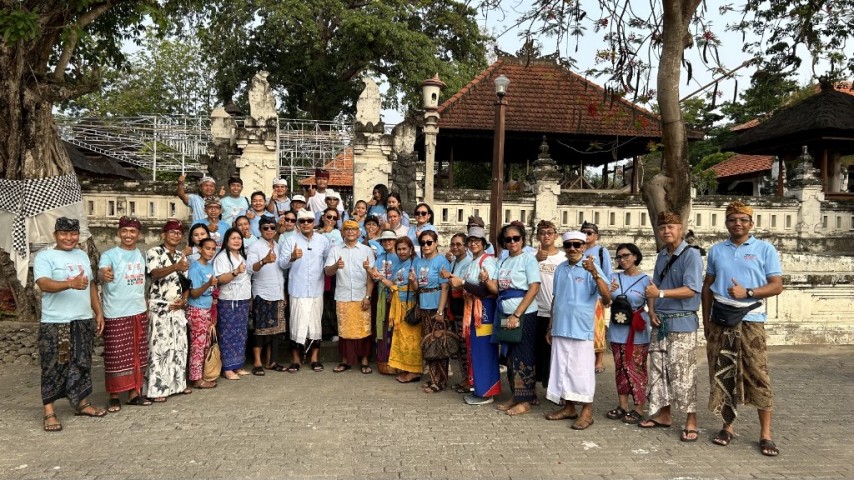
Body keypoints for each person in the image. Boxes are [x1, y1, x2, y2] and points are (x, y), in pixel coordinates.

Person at [702, 201, 783, 456]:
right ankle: (727, 426)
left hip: (751, 319)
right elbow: (707, 287)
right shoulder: (716, 251)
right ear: (726, 223)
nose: (737, 223)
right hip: (721, 320)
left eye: (743, 219)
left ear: (751, 223)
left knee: (758, 374)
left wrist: (747, 292)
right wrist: (706, 320)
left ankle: (766, 434)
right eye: (732, 219)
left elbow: (776, 285)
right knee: (724, 372)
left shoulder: (765, 249)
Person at [35, 217, 107, 432]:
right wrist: (69, 283)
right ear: (55, 235)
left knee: (82, 362)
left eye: (73, 234)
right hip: (57, 322)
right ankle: (49, 412)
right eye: (64, 234)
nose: (69, 238)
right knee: (53, 365)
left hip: (82, 320)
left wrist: (98, 312)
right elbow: (43, 283)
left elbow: (91, 286)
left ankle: (82, 403)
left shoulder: (82, 255)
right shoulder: (45, 256)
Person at [639, 211, 703, 442]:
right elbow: (653, 286)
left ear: (681, 228)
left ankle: (690, 420)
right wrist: (652, 310)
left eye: (671, 227)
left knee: (682, 372)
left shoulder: (691, 255)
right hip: (660, 321)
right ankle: (663, 414)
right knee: (658, 370)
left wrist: (661, 293)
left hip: (683, 321)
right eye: (662, 227)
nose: (666, 231)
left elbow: (692, 289)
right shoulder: (662, 256)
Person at [544, 231, 611, 430]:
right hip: (560, 327)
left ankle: (587, 412)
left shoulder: (591, 267)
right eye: (568, 245)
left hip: (582, 329)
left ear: (583, 247)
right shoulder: (560, 269)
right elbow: (555, 298)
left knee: (582, 372)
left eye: (577, 245)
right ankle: (569, 407)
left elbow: (607, 299)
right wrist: (550, 325)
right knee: (562, 369)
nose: (572, 248)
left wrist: (594, 273)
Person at [98, 216, 151, 412]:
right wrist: (104, 274)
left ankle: (134, 393)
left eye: (133, 231)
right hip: (115, 312)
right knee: (116, 354)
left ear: (139, 234)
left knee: (138, 353)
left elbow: (146, 280)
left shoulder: (142, 254)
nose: (128, 235)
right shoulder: (110, 255)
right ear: (119, 233)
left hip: (138, 310)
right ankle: (113, 395)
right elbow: (102, 272)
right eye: (125, 231)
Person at [493, 223, 541, 416]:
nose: (512, 242)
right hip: (505, 312)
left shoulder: (528, 260)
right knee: (511, 357)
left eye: (516, 238)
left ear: (522, 240)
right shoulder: (503, 261)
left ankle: (526, 399)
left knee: (524, 356)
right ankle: (515, 395)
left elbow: (534, 288)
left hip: (524, 314)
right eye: (508, 239)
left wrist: (517, 314)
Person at [450, 225, 501, 405]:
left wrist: (463, 283)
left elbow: (487, 289)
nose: (473, 244)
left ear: (483, 243)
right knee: (475, 348)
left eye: (477, 241)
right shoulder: (474, 262)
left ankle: (486, 391)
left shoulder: (487, 261)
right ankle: (479, 388)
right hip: (472, 308)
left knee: (483, 349)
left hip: (483, 309)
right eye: (470, 241)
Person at [277, 209, 332, 373]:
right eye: (302, 221)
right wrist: (292, 257)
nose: (306, 224)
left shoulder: (323, 241)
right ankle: (296, 360)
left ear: (314, 222)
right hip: (298, 290)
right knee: (297, 325)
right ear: (298, 223)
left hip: (316, 289)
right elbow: (282, 264)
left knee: (315, 324)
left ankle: (314, 359)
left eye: (309, 220)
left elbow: (328, 262)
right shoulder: (289, 240)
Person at [143, 219, 191, 402]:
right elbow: (154, 273)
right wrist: (175, 266)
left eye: (179, 233)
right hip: (160, 306)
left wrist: (184, 300)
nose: (176, 235)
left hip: (177, 307)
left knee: (179, 347)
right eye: (172, 232)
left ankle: (178, 385)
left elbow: (186, 283)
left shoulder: (181, 254)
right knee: (159, 349)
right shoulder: (154, 252)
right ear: (164, 235)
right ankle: (157, 388)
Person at [604, 243, 651, 425]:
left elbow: (651, 307)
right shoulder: (613, 278)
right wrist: (609, 292)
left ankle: (639, 407)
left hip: (637, 330)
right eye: (619, 257)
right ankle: (622, 405)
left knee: (636, 369)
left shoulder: (647, 280)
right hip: (617, 329)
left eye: (626, 256)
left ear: (635, 256)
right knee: (620, 369)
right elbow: (604, 301)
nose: (622, 260)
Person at [326, 220, 375, 373]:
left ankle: (364, 361)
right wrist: (336, 266)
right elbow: (328, 272)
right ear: (342, 232)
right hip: (343, 295)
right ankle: (345, 361)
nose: (350, 232)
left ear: (359, 232)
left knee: (364, 330)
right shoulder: (335, 250)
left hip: (362, 295)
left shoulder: (366, 250)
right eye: (347, 229)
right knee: (344, 331)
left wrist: (368, 296)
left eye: (354, 229)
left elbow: (371, 275)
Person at [246, 216, 287, 374]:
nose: (269, 230)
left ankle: (272, 362)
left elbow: (279, 272)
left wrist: (283, 294)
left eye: (272, 227)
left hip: (277, 292)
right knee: (260, 330)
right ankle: (257, 363)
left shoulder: (278, 245)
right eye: (266, 228)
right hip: (262, 293)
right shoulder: (255, 246)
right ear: (260, 229)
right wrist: (263, 261)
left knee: (276, 331)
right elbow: (250, 269)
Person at [414, 230, 451, 393]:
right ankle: (433, 377)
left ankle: (440, 380)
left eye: (429, 242)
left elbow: (445, 287)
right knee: (429, 344)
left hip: (437, 306)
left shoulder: (441, 260)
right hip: (423, 305)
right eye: (423, 243)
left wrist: (441, 310)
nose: (426, 246)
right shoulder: (418, 262)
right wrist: (412, 281)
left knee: (438, 343)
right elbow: (416, 287)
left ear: (436, 243)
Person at [213, 228, 252, 380]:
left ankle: (238, 364)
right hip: (228, 300)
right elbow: (220, 279)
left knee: (241, 333)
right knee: (228, 333)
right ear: (227, 241)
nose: (237, 241)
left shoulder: (243, 256)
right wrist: (235, 272)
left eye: (239, 238)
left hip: (242, 299)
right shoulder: (222, 258)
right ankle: (227, 368)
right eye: (233, 238)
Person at [384, 236, 420, 383]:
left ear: (411, 249)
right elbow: (393, 282)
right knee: (401, 339)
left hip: (410, 305)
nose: (401, 252)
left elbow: (418, 283)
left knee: (412, 339)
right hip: (399, 305)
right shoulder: (399, 264)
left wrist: (412, 283)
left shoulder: (416, 262)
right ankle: (405, 368)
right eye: (399, 249)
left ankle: (414, 371)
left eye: (404, 248)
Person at [533, 220, 563, 390]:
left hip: (555, 312)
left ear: (555, 235)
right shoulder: (531, 256)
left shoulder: (563, 258)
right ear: (537, 235)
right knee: (536, 351)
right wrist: (535, 260)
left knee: (554, 352)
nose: (546, 236)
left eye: (550, 232)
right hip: (535, 310)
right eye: (542, 232)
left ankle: (554, 388)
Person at [441, 233, 472, 393]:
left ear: (465, 246)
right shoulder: (454, 261)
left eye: (459, 244)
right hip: (454, 307)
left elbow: (465, 285)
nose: (455, 247)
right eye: (453, 244)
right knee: (459, 347)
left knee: (466, 346)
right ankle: (464, 377)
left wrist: (451, 277)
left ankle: (469, 379)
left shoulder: (469, 262)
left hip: (464, 307)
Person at [580, 221, 612, 374]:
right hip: (581, 295)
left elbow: (608, 273)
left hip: (597, 294)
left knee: (598, 327)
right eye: (584, 232)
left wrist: (607, 295)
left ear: (596, 236)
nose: (586, 236)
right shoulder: (578, 249)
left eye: (589, 233)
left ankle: (599, 360)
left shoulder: (601, 251)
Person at [186, 238, 219, 389]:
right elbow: (193, 293)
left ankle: (203, 374)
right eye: (207, 248)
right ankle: (195, 378)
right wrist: (208, 284)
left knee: (205, 344)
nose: (211, 252)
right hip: (196, 309)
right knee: (197, 345)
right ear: (200, 249)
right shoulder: (195, 268)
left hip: (207, 309)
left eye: (213, 249)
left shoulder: (210, 267)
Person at [370, 229, 399, 374]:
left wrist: (393, 292)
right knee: (382, 326)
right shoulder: (380, 256)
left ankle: (395, 362)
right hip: (382, 295)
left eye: (390, 240)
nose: (388, 242)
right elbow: (374, 273)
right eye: (385, 240)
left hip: (396, 296)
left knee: (394, 328)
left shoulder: (400, 256)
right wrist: (369, 270)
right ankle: (383, 360)